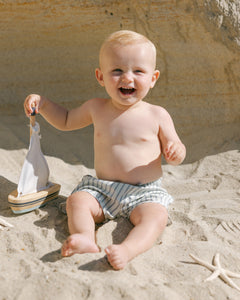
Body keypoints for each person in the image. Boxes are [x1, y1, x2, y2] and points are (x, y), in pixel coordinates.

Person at [24, 30, 186, 270]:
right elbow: (66, 120)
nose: (127, 78)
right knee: (77, 202)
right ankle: (86, 238)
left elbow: (177, 147)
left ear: (153, 78)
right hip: (103, 189)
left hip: (144, 192)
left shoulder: (157, 115)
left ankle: (127, 249)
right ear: (100, 76)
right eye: (117, 70)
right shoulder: (96, 108)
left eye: (138, 71)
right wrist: (45, 104)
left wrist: (175, 151)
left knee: (156, 217)